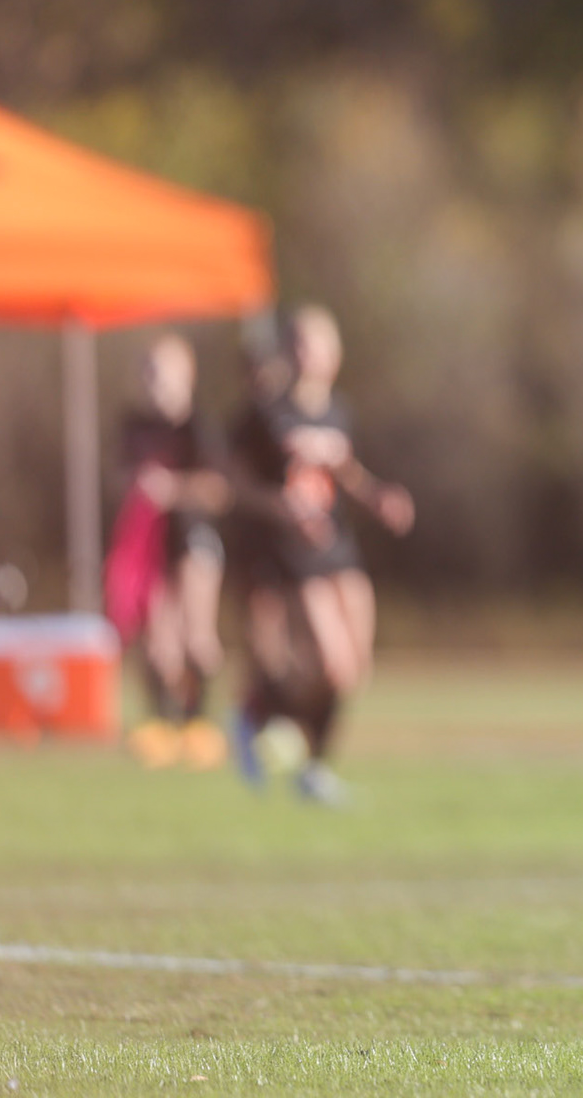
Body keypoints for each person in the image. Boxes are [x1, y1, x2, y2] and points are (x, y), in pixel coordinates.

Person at [228, 305, 414, 804]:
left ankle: (308, 763)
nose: (309, 353)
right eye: (299, 343)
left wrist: (377, 497)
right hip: (292, 549)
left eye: (318, 343)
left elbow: (344, 468)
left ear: (336, 353)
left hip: (336, 542)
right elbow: (234, 483)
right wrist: (278, 504)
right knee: (331, 661)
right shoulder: (267, 412)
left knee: (353, 668)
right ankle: (257, 715)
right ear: (288, 351)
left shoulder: (337, 411)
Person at [109, 334, 233, 771]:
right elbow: (124, 478)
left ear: (187, 376)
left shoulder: (199, 427)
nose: (155, 384)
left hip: (193, 539)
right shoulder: (134, 426)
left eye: (164, 374)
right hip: (152, 546)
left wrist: (173, 490)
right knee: (159, 643)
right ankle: (162, 726)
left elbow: (218, 490)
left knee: (197, 638)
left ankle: (201, 725)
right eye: (149, 374)